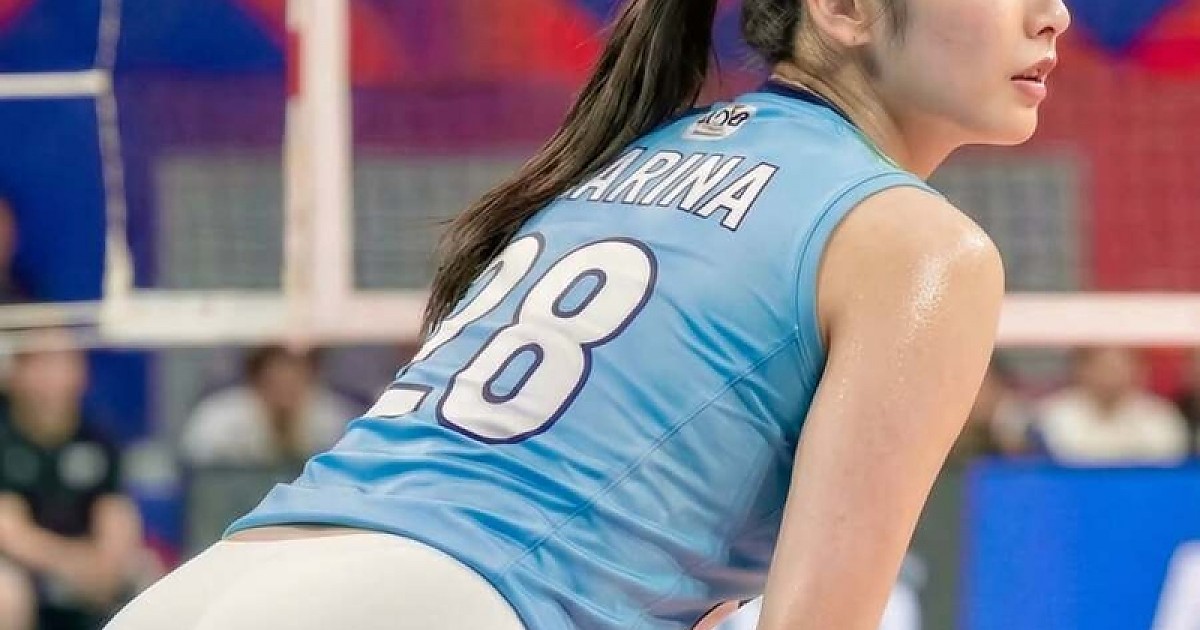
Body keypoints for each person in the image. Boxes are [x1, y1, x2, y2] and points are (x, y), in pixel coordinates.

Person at [106, 0, 1067, 628]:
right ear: (845, 8)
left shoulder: (628, 161)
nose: (1054, 15)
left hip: (205, 588)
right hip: (442, 601)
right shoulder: (922, 246)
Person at [0, 328, 143, 630]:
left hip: (85, 558)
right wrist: (70, 564)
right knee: (6, 595)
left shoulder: (98, 438)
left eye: (67, 360)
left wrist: (107, 563)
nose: (56, 375)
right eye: (43, 362)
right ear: (15, 373)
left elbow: (116, 513)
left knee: (149, 577)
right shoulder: (5, 438)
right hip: (22, 566)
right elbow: (9, 531)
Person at [178, 344, 357, 468]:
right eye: (276, 377)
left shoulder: (335, 420)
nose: (286, 385)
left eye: (296, 375)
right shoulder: (216, 421)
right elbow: (195, 479)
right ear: (256, 376)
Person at [1036, 346, 1188, 465]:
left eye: (1119, 365)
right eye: (1102, 366)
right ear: (1081, 369)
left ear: (1137, 369)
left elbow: (1168, 465)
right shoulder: (1052, 413)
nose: (1110, 374)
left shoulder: (1160, 415)